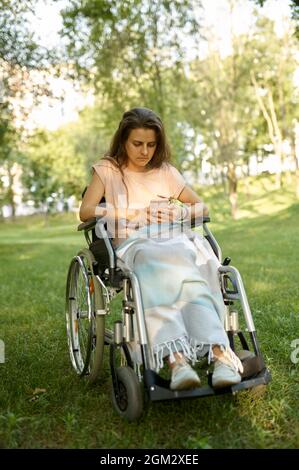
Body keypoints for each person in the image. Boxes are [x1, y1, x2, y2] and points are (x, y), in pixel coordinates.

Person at [80, 107, 243, 391]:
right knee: (158, 258)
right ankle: (176, 359)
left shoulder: (165, 171)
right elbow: (85, 211)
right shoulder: (107, 169)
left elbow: (201, 206)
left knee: (191, 259)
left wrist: (178, 214)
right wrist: (128, 213)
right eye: (137, 144)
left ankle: (219, 354)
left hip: (173, 237)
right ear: (123, 140)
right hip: (134, 241)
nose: (145, 151)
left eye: (151, 144)